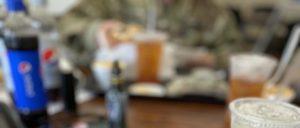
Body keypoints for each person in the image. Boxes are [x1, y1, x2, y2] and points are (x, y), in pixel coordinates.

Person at [59, 0, 243, 69]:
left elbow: (239, 59)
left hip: (190, 103)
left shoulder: (214, 13)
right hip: (118, 95)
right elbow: (66, 24)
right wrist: (96, 32)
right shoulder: (112, 3)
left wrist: (204, 59)